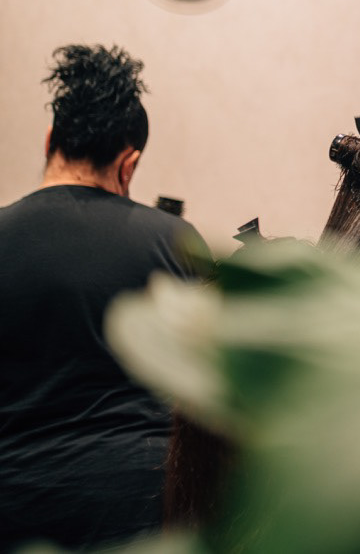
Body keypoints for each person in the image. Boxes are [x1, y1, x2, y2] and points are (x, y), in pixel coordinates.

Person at [0, 44, 209, 552]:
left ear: (50, 140)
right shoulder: (175, 240)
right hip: (142, 510)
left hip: (14, 507)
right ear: (129, 163)